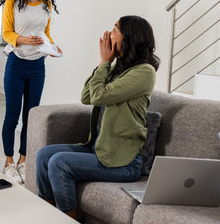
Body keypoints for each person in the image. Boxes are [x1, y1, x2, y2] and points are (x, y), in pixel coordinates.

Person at [35, 15, 159, 219]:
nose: (109, 33)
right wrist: (105, 64)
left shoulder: (144, 72)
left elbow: (99, 96)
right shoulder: (120, 69)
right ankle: (48, 216)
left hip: (125, 163)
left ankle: (68, 219)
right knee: (44, 155)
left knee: (59, 162)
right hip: (99, 149)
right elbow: (87, 97)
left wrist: (104, 62)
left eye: (115, 29)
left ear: (130, 37)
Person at [0, 0, 62, 184]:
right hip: (16, 64)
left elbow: (45, 33)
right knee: (12, 116)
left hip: (38, 66)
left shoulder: (46, 4)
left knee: (31, 117)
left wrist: (52, 47)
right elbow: (6, 33)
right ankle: (8, 162)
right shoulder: (13, 1)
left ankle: (23, 160)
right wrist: (25, 39)